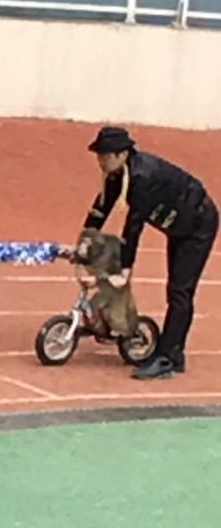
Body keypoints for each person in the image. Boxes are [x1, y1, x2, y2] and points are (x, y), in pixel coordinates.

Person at [83, 126, 218, 379]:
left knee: (180, 291)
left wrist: (124, 269)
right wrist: (85, 237)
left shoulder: (143, 178)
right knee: (177, 289)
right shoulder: (118, 174)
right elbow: (102, 205)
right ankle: (174, 353)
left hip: (197, 225)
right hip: (177, 225)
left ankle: (167, 358)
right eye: (99, 155)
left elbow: (133, 226)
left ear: (122, 154)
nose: (101, 161)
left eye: (105, 155)